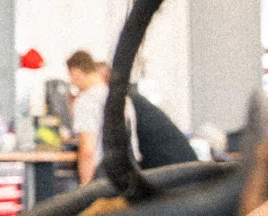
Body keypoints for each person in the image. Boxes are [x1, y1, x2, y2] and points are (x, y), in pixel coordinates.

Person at [65, 49, 191, 181]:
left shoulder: (86, 100)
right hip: (129, 172)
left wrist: (85, 189)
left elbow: (88, 150)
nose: (71, 82)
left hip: (103, 176)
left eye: (71, 76)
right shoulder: (123, 98)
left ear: (76, 72)